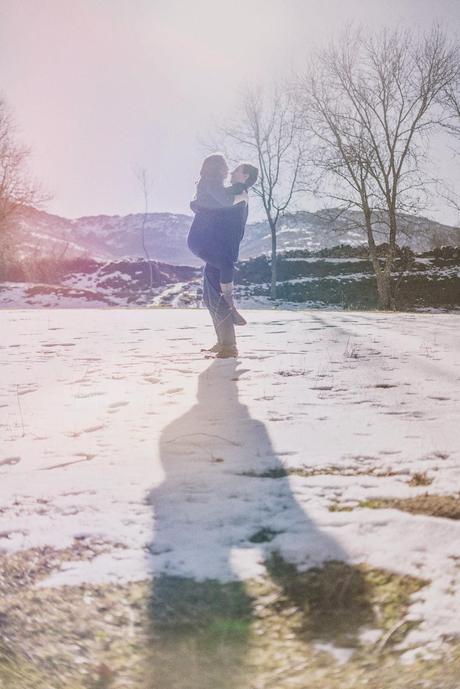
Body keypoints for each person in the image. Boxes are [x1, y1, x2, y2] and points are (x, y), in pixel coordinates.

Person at [188, 153, 258, 358]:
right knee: (210, 298)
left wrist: (198, 204)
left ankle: (228, 346)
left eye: (238, 169)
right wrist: (197, 204)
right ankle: (224, 342)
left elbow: (219, 202)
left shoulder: (238, 190)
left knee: (214, 299)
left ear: (244, 176)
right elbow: (210, 204)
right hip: (217, 248)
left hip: (221, 249)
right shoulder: (234, 191)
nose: (233, 171)